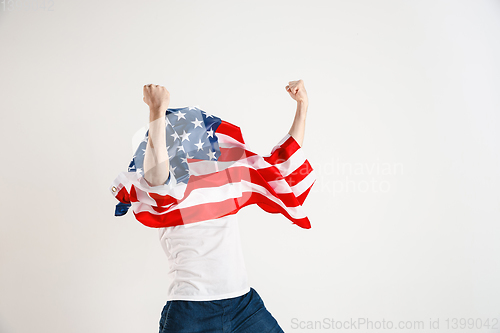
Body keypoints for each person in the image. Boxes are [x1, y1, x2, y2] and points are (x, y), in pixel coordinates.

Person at [141, 80, 309, 333]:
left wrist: (302, 105)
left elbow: (280, 166)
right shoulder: (164, 190)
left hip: (243, 304)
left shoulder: (224, 180)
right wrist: (157, 110)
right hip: (191, 310)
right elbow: (156, 172)